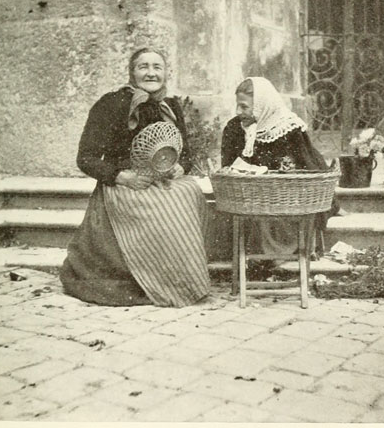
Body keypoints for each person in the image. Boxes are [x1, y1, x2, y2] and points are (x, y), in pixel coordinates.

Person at [60, 47, 210, 307]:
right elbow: (86, 158)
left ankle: (178, 278)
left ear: (166, 73)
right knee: (155, 209)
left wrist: (180, 168)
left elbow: (186, 152)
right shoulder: (111, 103)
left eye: (157, 67)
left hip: (164, 180)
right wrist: (122, 177)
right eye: (143, 67)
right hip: (126, 182)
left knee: (189, 193)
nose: (151, 73)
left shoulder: (171, 106)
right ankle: (149, 279)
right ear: (132, 72)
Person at [221, 76, 339, 258]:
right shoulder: (234, 128)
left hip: (286, 199)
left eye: (244, 106)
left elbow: (310, 167)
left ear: (262, 105)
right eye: (238, 105)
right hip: (248, 197)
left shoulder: (289, 129)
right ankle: (261, 260)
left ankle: (274, 258)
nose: (238, 111)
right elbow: (227, 166)